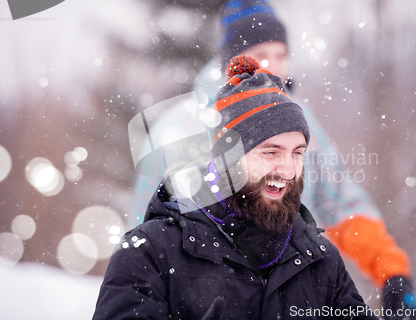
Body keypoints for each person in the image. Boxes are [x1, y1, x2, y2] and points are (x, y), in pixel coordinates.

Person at [128, 0, 416, 318]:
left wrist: (390, 269)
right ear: (233, 61)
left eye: (282, 55)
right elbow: (143, 231)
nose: (275, 66)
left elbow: (339, 202)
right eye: (262, 54)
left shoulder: (301, 121)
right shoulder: (179, 126)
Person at [94, 56, 378, 320]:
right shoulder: (150, 252)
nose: (288, 170)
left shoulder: (321, 261)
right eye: (270, 153)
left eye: (297, 153)